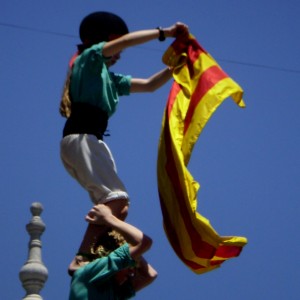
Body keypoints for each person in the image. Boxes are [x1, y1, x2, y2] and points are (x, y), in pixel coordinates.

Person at [59, 11, 189, 258]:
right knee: (116, 198)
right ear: (104, 41)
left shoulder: (108, 77)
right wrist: (165, 32)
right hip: (81, 139)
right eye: (116, 47)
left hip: (87, 141)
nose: (119, 55)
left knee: (120, 207)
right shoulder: (89, 58)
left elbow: (150, 85)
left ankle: (96, 254)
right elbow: (125, 42)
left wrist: (177, 66)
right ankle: (83, 257)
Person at [68, 204, 157, 300]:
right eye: (131, 268)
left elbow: (143, 243)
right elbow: (150, 275)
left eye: (130, 267)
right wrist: (109, 219)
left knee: (122, 207)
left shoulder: (88, 275)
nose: (132, 273)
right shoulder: (117, 294)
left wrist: (108, 219)